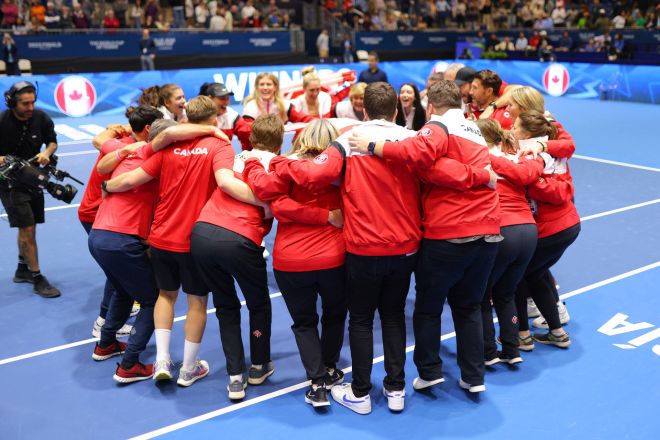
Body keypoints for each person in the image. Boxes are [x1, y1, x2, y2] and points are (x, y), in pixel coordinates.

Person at [245, 82, 422, 414]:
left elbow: (302, 181)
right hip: (398, 247)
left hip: (352, 250)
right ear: (397, 111)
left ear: (364, 110)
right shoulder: (413, 141)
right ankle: (395, 389)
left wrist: (273, 163)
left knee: (355, 319)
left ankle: (349, 389)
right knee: (390, 316)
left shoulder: (346, 146)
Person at [349, 80, 501, 395]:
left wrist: (373, 145)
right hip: (488, 233)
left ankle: (430, 371)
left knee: (429, 307)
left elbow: (419, 157)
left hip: (449, 231)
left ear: (430, 107)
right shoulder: (474, 129)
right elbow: (447, 167)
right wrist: (479, 176)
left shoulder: (438, 126)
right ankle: (473, 378)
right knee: (469, 306)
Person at [105, 97, 232, 387]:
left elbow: (130, 180)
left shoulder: (168, 147)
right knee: (198, 302)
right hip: (194, 240)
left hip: (161, 236)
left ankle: (162, 359)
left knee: (165, 295)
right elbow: (227, 182)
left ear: (186, 118)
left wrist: (106, 185)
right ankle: (188, 369)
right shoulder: (220, 145)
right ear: (213, 119)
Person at [243, 119, 348, 407]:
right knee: (335, 316)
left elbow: (273, 200)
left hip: (291, 261)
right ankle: (328, 368)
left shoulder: (285, 167)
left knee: (304, 322)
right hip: (333, 258)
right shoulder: (343, 168)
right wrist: (326, 216)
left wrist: (253, 165)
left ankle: (317, 383)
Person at [191, 114, 281, 400]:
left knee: (226, 306)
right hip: (240, 239)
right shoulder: (277, 166)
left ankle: (234, 378)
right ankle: (258, 365)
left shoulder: (236, 156)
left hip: (202, 233)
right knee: (258, 303)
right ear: (279, 144)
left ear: (252, 139)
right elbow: (275, 206)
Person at [87, 118, 176, 383]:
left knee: (123, 289)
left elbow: (101, 153)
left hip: (98, 236)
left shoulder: (129, 152)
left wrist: (108, 180)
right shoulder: (157, 165)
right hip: (122, 240)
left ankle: (106, 344)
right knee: (152, 300)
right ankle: (130, 364)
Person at [79, 107, 163, 339]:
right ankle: (129, 358)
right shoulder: (145, 155)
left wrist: (115, 132)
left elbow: (99, 143)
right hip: (108, 222)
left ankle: (106, 338)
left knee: (122, 284)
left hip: (102, 224)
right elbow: (126, 178)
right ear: (148, 129)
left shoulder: (122, 146)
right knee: (147, 296)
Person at [476, 118, 543, 366]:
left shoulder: (480, 159)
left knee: (482, 294)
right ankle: (512, 350)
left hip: (502, 231)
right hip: (529, 231)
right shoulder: (517, 157)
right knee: (506, 293)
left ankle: (488, 352)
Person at [511, 110, 578, 349]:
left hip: (554, 229)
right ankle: (557, 333)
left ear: (528, 133)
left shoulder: (534, 155)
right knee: (534, 274)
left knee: (516, 278)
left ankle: (521, 334)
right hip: (566, 225)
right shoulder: (548, 148)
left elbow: (557, 191)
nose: (511, 130)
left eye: (516, 127)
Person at [0, 81, 60, 298]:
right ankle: (37, 277)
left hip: (34, 178)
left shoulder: (41, 117)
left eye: (32, 102)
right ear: (12, 102)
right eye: (25, 104)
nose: (30, 108)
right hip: (9, 183)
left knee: (28, 227)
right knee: (28, 229)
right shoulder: (1, 121)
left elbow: (52, 141)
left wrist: (47, 152)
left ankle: (22, 268)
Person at [242, 72, 314, 125]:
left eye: (269, 84)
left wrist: (319, 122)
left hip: (277, 145)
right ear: (257, 87)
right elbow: (246, 133)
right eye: (262, 84)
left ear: (275, 87)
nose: (265, 88)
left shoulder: (285, 105)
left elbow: (303, 118)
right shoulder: (250, 107)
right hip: (255, 145)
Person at [199, 82, 252, 150]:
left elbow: (248, 138)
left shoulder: (232, 116)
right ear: (209, 99)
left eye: (228, 98)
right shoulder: (193, 113)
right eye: (222, 98)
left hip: (221, 154)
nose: (226, 102)